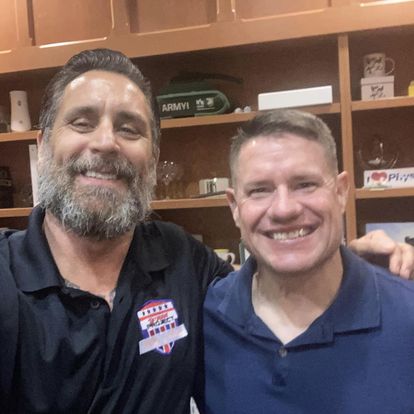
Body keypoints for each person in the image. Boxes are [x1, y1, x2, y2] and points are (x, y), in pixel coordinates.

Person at [0, 49, 411, 413]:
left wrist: (350, 259)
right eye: (82, 122)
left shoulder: (182, 261)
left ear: (152, 158)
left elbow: (274, 277)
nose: (106, 142)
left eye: (129, 129)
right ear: (44, 146)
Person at [203, 109, 414, 414]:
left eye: (305, 184)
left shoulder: (407, 314)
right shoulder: (206, 317)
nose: (284, 209)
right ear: (235, 207)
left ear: (341, 192)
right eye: (260, 190)